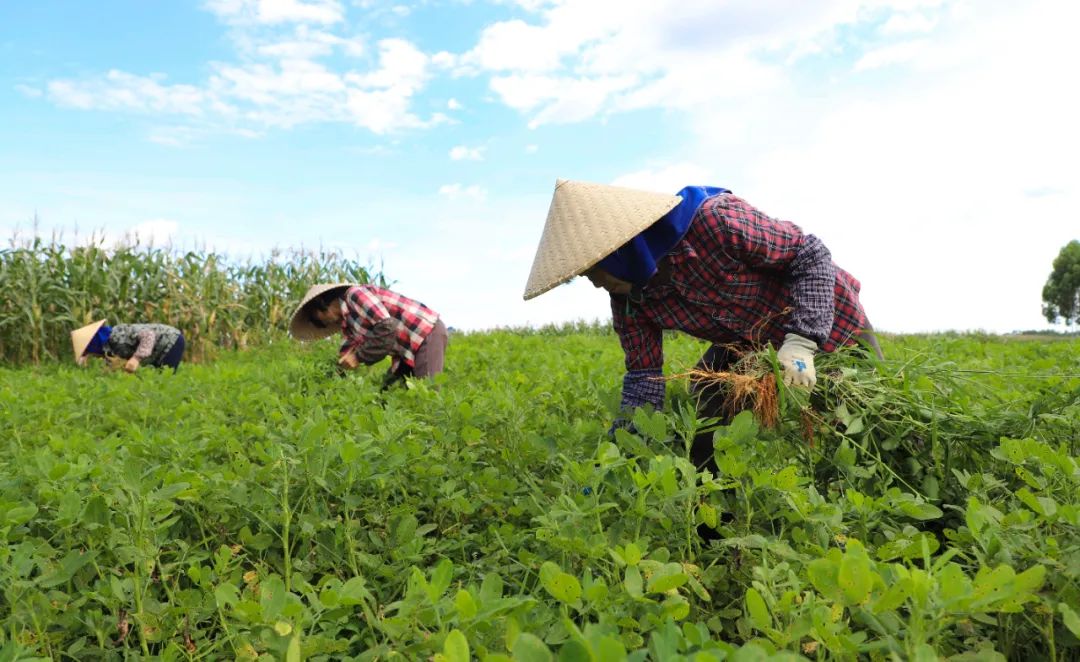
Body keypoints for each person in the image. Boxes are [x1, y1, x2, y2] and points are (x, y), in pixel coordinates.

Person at [523, 179, 881, 470]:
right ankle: (710, 504)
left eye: (594, 271)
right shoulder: (630, 300)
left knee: (864, 416)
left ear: (620, 249)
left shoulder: (714, 222)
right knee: (709, 389)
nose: (598, 283)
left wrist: (803, 341)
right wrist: (617, 451)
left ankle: (861, 482)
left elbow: (808, 252)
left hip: (828, 318)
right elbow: (643, 379)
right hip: (750, 342)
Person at [290, 283, 448, 389]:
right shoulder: (349, 323)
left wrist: (358, 357)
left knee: (428, 393)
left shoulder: (354, 295)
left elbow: (388, 326)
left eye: (316, 319)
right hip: (405, 350)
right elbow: (346, 354)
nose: (322, 324)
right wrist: (329, 377)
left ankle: (436, 437)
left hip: (425, 332)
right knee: (388, 393)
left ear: (321, 307)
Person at [71, 320, 186, 373]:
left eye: (89, 353)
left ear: (93, 345)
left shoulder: (116, 336)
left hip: (171, 340)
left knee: (165, 381)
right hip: (159, 349)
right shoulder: (108, 346)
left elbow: (149, 335)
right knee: (156, 382)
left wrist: (136, 358)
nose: (93, 356)